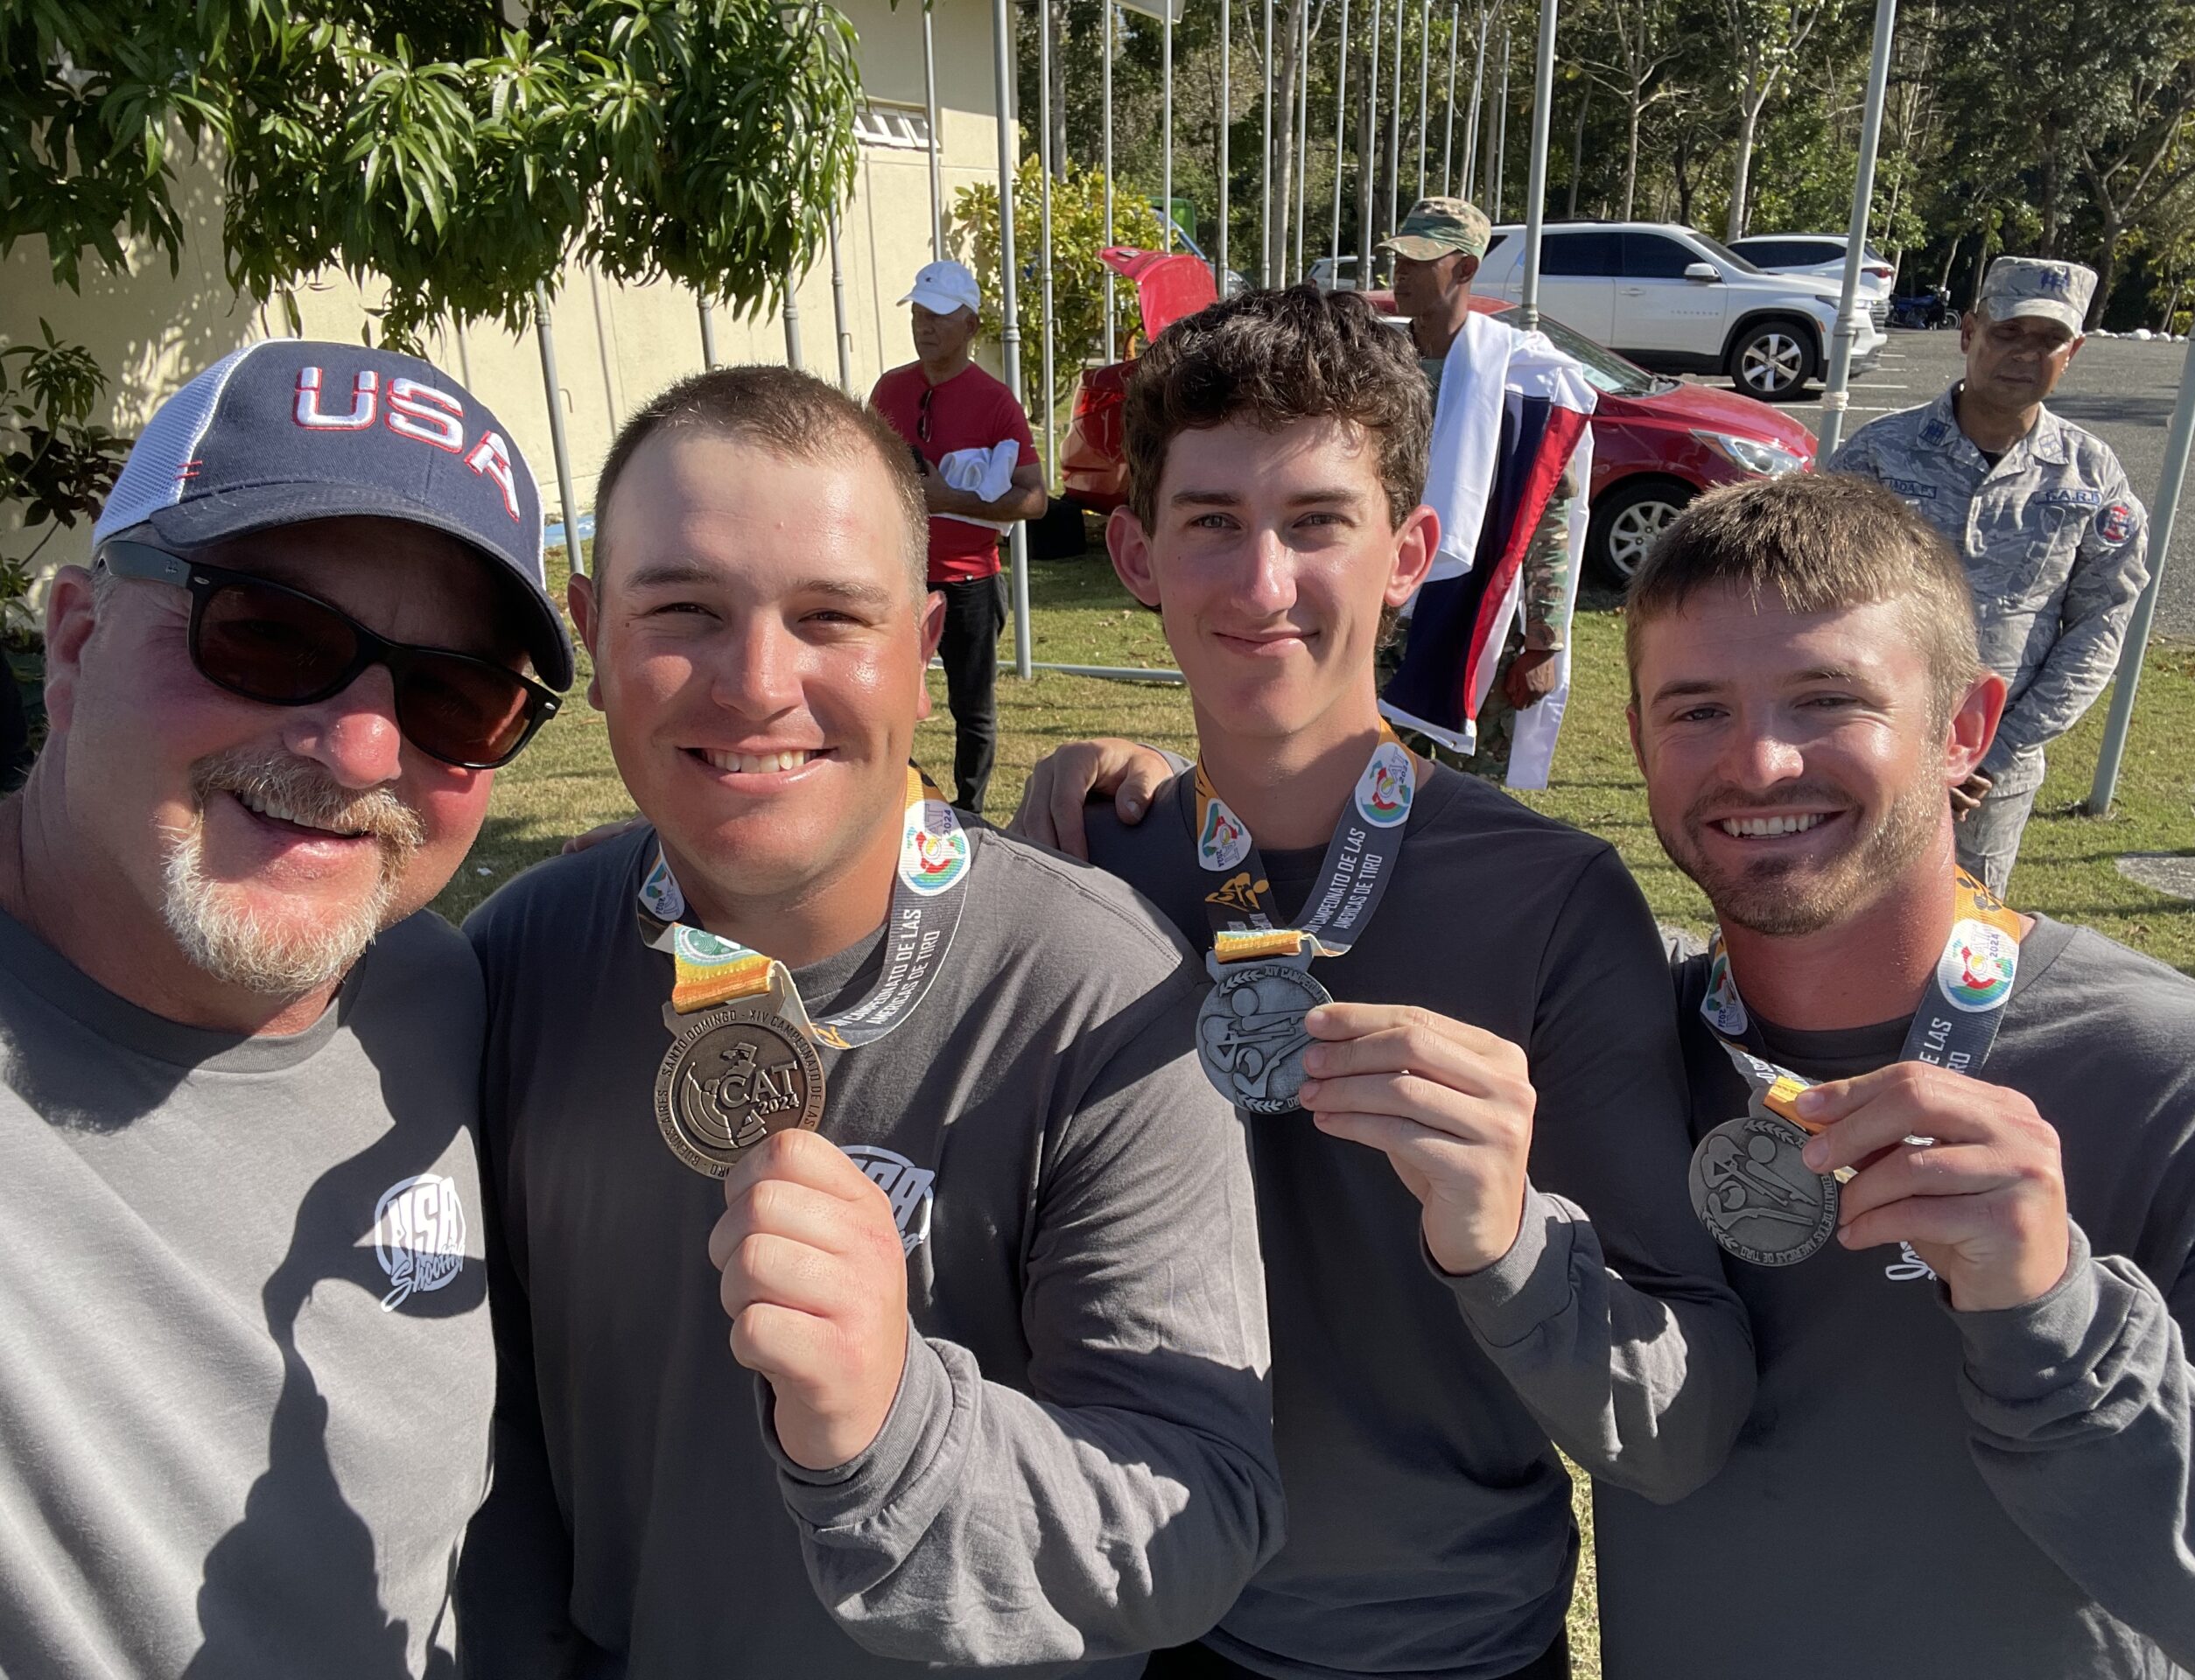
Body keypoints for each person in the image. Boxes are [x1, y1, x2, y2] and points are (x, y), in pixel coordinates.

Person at [457, 364, 1280, 1676]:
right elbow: (482, 1448)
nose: (756, 682)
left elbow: (1197, 1519)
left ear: (923, 640)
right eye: (684, 609)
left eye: (832, 615)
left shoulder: (1102, 996)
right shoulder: (517, 960)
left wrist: (895, 1423)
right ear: (593, 638)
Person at [1021, 287, 1752, 1680]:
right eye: (1212, 523)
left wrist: (1508, 1241)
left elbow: (1687, 1415)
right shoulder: (1076, 862)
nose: (1261, 583)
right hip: (1131, 1619)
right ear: (1133, 552)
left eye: (1317, 522)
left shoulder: (1551, 902)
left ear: (1412, 550)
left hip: (1445, 1651)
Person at [1602, 471, 2195, 1679]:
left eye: (1827, 698)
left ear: (1965, 727)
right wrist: (1138, 795)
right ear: (1637, 739)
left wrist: (2055, 1308)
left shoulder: (2193, 1084)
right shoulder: (1618, 1042)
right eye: (1695, 711)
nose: (1761, 763)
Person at [0, 340, 573, 1678]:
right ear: (76, 640)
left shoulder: (440, 991)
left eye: (454, 695)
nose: (366, 745)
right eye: (267, 633)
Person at [1828, 254, 2149, 894]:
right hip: (1869, 745)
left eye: (2049, 340)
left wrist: (1994, 754)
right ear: (1969, 332)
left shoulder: (2090, 474)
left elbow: (2099, 626)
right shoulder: (1877, 454)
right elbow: (1815, 598)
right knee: (1835, 908)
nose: (2026, 355)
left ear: (2074, 351)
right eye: (2009, 333)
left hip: (1993, 776)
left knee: (1965, 944)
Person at [1382, 197, 1589, 787]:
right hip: (1380, 616)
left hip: (1473, 612)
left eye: (1420, 261)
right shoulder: (1376, 366)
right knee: (1368, 783)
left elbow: (1548, 514)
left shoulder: (1519, 380)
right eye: (1398, 258)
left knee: (1468, 800)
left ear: (1465, 269)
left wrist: (1545, 641)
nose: (1401, 273)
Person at [868, 259, 1048, 813]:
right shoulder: (889, 390)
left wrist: (952, 501)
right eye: (918, 314)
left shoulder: (996, 402)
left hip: (970, 584)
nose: (925, 326)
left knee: (972, 710)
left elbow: (1036, 499)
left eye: (939, 316)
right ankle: (890, 801)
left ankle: (968, 816)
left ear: (971, 326)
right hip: (898, 581)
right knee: (883, 701)